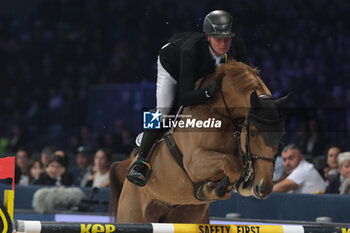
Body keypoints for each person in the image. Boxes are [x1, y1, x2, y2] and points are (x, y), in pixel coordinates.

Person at [127, 10, 248, 186]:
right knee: (163, 111)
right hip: (173, 66)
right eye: (218, 39)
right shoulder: (190, 49)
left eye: (227, 38)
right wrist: (207, 92)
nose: (223, 44)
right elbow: (185, 97)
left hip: (202, 70)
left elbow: (245, 80)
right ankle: (141, 161)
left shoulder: (238, 48)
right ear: (207, 36)